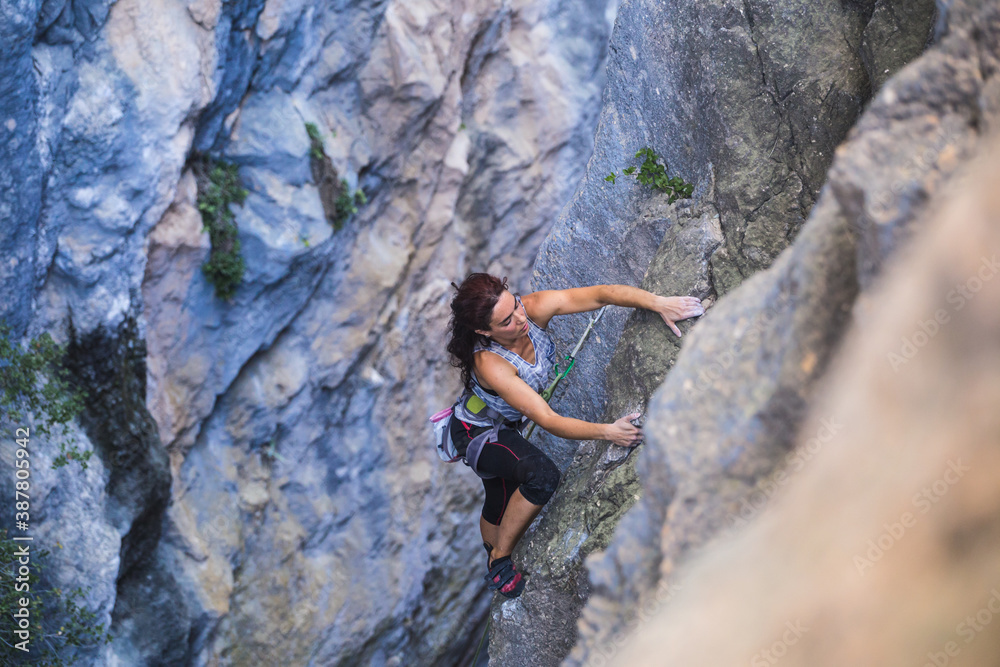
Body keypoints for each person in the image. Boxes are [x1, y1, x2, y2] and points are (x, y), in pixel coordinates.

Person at [445, 273, 704, 598]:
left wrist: (658, 303)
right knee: (540, 477)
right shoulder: (490, 364)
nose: (521, 319)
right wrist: (608, 432)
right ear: (484, 331)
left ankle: (493, 546)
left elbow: (599, 294)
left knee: (500, 491)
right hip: (475, 432)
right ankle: (499, 557)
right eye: (507, 321)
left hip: (502, 426)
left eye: (516, 306)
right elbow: (547, 419)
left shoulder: (533, 309)